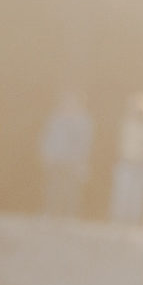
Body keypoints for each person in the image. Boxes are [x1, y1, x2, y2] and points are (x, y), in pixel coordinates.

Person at [39, 90, 94, 219]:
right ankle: (50, 212)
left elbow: (85, 143)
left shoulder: (83, 121)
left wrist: (83, 162)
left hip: (73, 161)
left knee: (71, 189)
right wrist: (46, 153)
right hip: (56, 158)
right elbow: (47, 137)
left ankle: (69, 215)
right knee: (53, 187)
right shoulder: (55, 118)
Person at [108, 93, 143, 225]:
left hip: (141, 164)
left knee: (137, 195)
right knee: (122, 193)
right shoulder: (127, 125)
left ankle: (132, 221)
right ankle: (118, 220)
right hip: (126, 162)